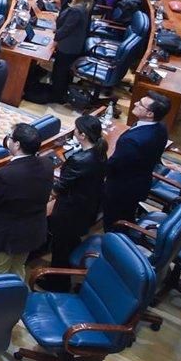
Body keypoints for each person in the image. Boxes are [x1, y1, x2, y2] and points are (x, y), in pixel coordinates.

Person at [0, 123, 54, 279]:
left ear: (17, 144)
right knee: (17, 268)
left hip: (4, 237)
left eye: (10, 137)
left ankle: (2, 303)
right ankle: (19, 297)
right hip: (30, 232)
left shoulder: (4, 175)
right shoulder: (47, 164)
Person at [104, 92, 171, 229]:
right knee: (126, 214)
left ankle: (114, 245)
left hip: (121, 189)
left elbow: (114, 165)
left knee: (114, 224)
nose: (135, 103)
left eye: (140, 104)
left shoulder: (132, 141)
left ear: (150, 114)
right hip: (141, 181)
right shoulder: (160, 128)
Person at [48, 114, 108, 268]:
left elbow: (61, 187)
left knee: (60, 246)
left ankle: (56, 281)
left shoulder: (80, 160)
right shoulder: (100, 151)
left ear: (83, 135)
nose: (73, 131)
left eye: (76, 129)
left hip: (70, 211)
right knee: (70, 241)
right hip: (86, 206)